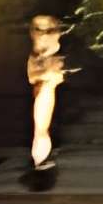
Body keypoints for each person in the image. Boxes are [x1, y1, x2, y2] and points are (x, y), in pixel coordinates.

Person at [25, 13, 73, 168]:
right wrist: (46, 74)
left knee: (46, 127)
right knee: (40, 128)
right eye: (39, 30)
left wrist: (54, 74)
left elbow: (60, 75)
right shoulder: (35, 56)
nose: (44, 35)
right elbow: (32, 77)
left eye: (49, 30)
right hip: (41, 94)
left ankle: (44, 157)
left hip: (53, 94)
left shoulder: (57, 54)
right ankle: (39, 160)